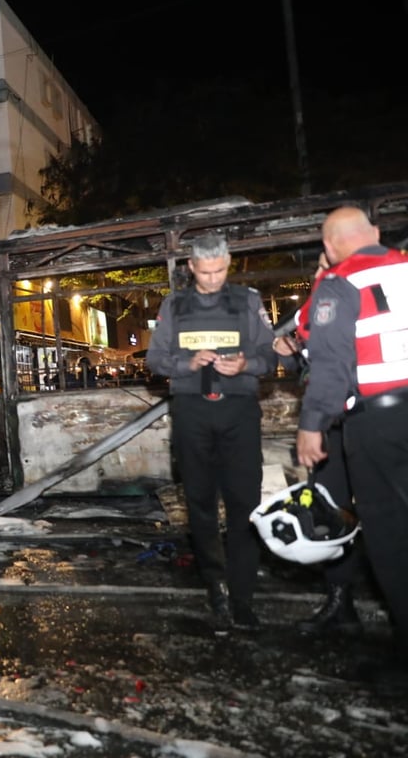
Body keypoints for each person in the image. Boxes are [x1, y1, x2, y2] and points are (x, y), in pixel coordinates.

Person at [147, 232, 278, 631]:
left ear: (228, 263)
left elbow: (270, 356)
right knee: (200, 504)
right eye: (205, 273)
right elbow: (156, 359)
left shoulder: (247, 301)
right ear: (191, 268)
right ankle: (215, 586)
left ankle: (243, 598)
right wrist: (187, 364)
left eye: (220, 271)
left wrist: (246, 366)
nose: (213, 279)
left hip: (238, 413)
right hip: (192, 413)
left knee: (245, 505)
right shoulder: (176, 304)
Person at [294, 207, 408, 660]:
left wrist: (310, 425)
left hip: (373, 424)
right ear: (375, 234)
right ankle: (342, 603)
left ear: (329, 247)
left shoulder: (339, 284)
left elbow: (327, 361)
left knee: (390, 535)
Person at [273, 252, 364, 635]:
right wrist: (293, 354)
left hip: (370, 422)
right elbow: (312, 368)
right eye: (320, 267)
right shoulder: (312, 313)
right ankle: (341, 602)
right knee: (332, 511)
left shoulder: (366, 300)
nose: (322, 273)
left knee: (381, 511)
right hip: (329, 427)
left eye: (330, 264)